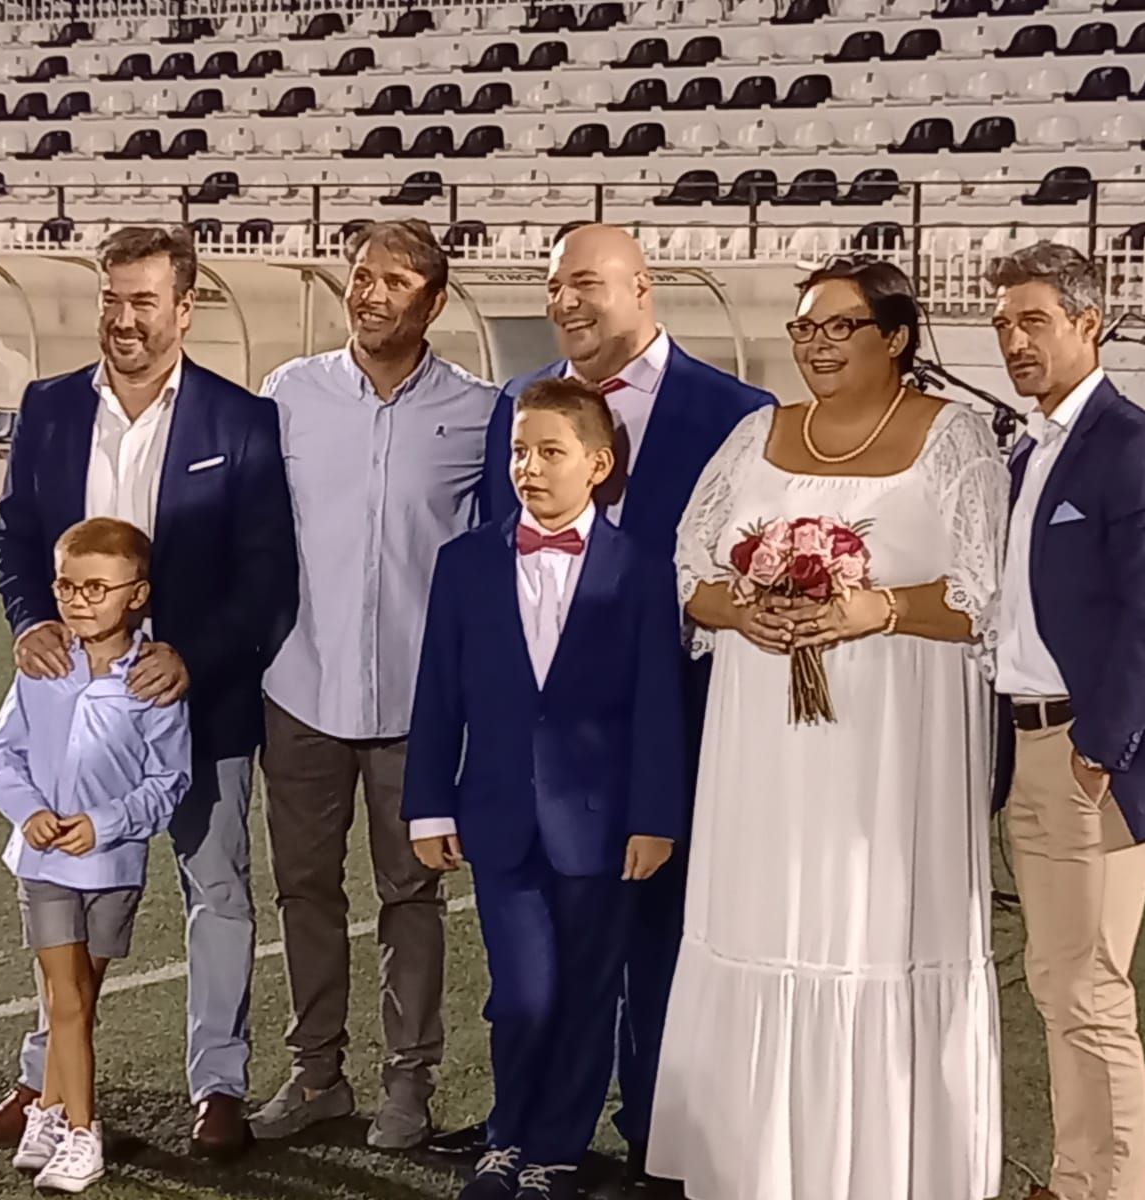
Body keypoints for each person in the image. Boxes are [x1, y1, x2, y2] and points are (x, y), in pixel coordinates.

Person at [649, 256, 1008, 1200]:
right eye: (804, 327)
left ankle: (884, 1168)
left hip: (890, 743)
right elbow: (690, 567)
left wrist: (876, 608)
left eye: (838, 326)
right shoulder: (755, 433)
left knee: (871, 931)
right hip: (760, 739)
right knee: (758, 919)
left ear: (895, 339)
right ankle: (752, 1164)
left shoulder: (957, 437)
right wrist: (742, 610)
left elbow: (987, 594)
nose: (814, 344)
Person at [448, 223, 772, 1185]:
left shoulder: (736, 413)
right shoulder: (520, 399)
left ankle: (653, 1130)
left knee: (664, 944)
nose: (566, 302)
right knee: (545, 970)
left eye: (586, 282)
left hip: (681, 725)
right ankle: (536, 1132)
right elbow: (491, 560)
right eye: (554, 287)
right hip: (546, 756)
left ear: (644, 287)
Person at [0, 225, 298, 1160]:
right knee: (72, 890)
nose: (123, 319)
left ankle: (218, 1088)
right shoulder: (47, 407)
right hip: (76, 712)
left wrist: (194, 659)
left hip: (202, 703)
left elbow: (268, 575)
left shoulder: (241, 422)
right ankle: (44, 1086)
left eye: (143, 300)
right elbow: (13, 538)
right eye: (112, 299)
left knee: (217, 888)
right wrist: (30, 618)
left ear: (184, 307)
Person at [404, 378, 686, 1200]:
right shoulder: (464, 564)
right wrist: (429, 803)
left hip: (602, 829)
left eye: (550, 452)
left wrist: (654, 818)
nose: (528, 467)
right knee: (522, 995)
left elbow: (655, 709)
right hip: (498, 820)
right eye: (519, 450)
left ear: (598, 464)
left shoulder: (640, 570)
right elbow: (437, 694)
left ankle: (556, 1151)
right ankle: (507, 1137)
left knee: (590, 994)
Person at [248, 219, 496, 1150]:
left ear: (433, 302)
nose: (372, 292)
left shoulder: (480, 412)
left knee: (412, 896)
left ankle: (408, 1085)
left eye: (397, 279)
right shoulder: (290, 394)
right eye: (361, 274)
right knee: (305, 893)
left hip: (419, 708)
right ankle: (317, 1076)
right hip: (301, 688)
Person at [986, 242, 1145, 1200]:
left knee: (1087, 991)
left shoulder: (1135, 448)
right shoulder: (1030, 443)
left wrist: (1098, 747)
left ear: (1089, 323)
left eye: (1033, 321)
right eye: (1002, 325)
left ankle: (1104, 1190)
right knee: (1058, 983)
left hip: (1088, 756)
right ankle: (1076, 1178)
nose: (1013, 341)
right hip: (1023, 743)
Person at [0, 517, 191, 1193]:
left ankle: (47, 1106)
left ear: (137, 595)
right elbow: (2, 756)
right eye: (67, 586)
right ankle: (82, 1133)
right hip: (43, 867)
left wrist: (104, 824)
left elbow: (169, 781)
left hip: (111, 866)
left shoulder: (154, 682)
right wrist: (31, 815)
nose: (78, 600)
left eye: (98, 587)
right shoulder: (43, 669)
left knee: (79, 999)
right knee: (65, 999)